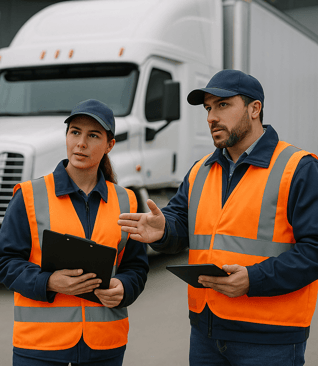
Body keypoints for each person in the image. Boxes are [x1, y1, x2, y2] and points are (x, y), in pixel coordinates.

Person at [118, 69, 318, 366]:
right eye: (208, 108)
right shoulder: (201, 171)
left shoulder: (298, 169)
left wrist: (253, 279)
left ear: (254, 109)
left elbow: (313, 250)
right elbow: (180, 223)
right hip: (206, 333)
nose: (211, 117)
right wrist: (163, 230)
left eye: (223, 105)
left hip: (269, 339)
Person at [0, 99, 149, 366]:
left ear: (109, 145)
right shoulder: (29, 196)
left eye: (93, 135)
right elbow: (3, 262)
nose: (81, 143)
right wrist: (49, 282)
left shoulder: (127, 201)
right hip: (40, 348)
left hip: (105, 346)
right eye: (75, 132)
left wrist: (125, 287)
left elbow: (136, 267)